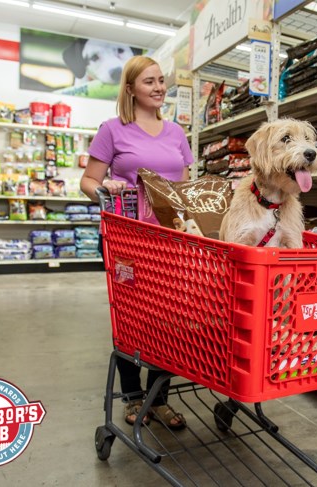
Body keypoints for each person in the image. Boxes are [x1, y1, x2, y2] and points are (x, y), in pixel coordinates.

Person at [81, 55, 192, 430]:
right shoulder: (112, 130)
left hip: (169, 242)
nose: (159, 87)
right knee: (130, 317)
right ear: (130, 89)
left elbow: (183, 188)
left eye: (161, 80)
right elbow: (87, 181)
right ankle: (132, 396)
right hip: (126, 241)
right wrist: (105, 187)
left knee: (168, 320)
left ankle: (159, 399)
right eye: (149, 81)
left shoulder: (176, 133)